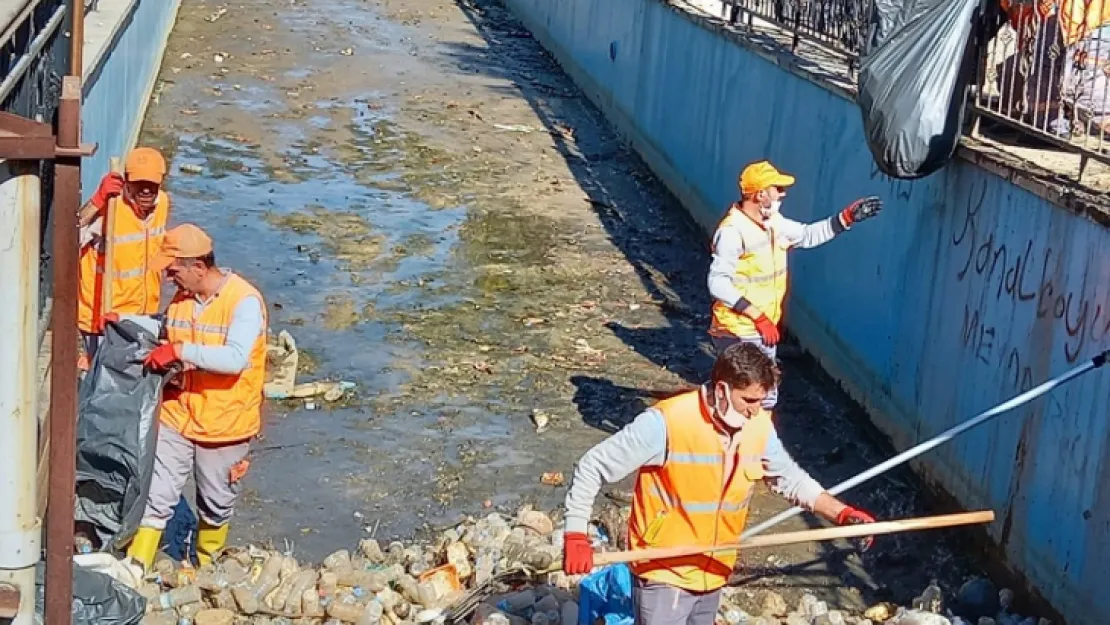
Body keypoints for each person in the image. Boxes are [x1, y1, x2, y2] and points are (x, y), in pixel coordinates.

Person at [562, 343, 876, 625]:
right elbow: (593, 466)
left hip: (713, 569)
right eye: (750, 400)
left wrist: (842, 513)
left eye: (762, 401)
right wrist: (576, 534)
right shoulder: (668, 423)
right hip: (664, 570)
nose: (756, 409)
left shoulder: (757, 427)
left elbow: (790, 479)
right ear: (722, 390)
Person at [125, 224, 268, 570]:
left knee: (216, 503)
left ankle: (208, 567)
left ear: (198, 267)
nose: (170, 279)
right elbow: (168, 327)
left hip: (224, 424)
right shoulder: (184, 299)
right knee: (156, 495)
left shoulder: (244, 302)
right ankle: (134, 569)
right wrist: (125, 321)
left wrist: (178, 351)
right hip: (178, 413)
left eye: (174, 271)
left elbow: (235, 359)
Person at [707, 160, 882, 408]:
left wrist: (846, 218)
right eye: (777, 188)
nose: (783, 193)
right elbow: (717, 283)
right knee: (757, 398)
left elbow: (807, 235)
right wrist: (758, 317)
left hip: (760, 328)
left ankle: (747, 440)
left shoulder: (774, 222)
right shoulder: (733, 232)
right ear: (759, 194)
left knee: (757, 395)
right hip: (738, 329)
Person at [77, 147, 171, 361]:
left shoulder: (163, 203)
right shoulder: (110, 206)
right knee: (103, 378)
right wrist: (97, 200)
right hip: (104, 319)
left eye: (152, 185)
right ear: (127, 181)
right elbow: (68, 235)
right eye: (139, 184)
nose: (146, 191)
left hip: (142, 316)